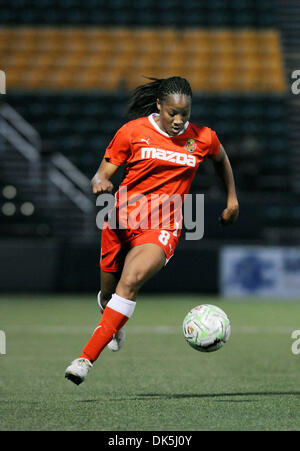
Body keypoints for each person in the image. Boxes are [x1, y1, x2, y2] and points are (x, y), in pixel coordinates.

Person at [65, 76, 239, 385]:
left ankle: (84, 360)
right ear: (159, 105)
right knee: (108, 294)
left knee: (129, 283)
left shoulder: (203, 137)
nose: (178, 120)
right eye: (173, 113)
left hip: (162, 227)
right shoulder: (132, 132)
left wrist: (232, 199)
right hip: (119, 221)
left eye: (184, 114)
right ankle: (112, 321)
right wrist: (99, 183)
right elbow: (100, 175)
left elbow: (221, 159)